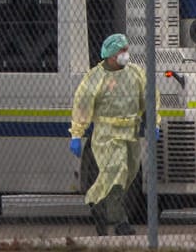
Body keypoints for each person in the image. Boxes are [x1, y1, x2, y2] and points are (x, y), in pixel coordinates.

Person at [69, 32, 145, 237]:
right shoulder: (95, 78)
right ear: (111, 54)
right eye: (122, 50)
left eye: (126, 49)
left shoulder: (135, 73)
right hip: (107, 136)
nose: (126, 54)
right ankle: (120, 222)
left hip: (131, 134)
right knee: (117, 173)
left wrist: (153, 121)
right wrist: (77, 134)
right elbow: (82, 105)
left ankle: (97, 206)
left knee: (127, 176)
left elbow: (148, 96)